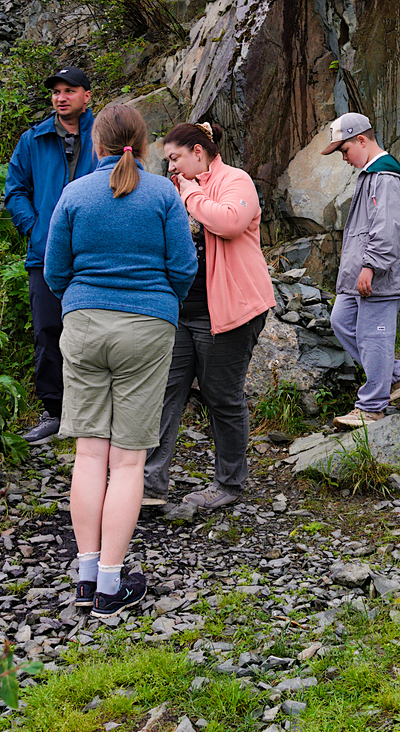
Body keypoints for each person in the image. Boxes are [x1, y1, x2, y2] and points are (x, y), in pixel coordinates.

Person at [44, 103, 195, 620]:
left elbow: (54, 270)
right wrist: (160, 304)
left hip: (84, 325)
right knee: (129, 460)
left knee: (89, 454)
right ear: (145, 144)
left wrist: (81, 301)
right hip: (147, 327)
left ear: (97, 144)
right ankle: (112, 585)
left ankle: (85, 581)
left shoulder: (74, 193)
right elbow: (183, 267)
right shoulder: (162, 195)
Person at [143, 122, 275, 513]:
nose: (170, 168)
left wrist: (189, 192)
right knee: (167, 391)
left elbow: (230, 223)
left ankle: (229, 483)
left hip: (230, 313)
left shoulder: (236, 181)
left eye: (175, 158)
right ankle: (150, 483)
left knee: (222, 398)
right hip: (182, 312)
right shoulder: (176, 190)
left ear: (198, 153)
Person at [4, 65, 97, 443]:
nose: (61, 97)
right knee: (47, 330)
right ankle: (55, 411)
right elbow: (15, 189)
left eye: (69, 90)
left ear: (86, 96)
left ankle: (91, 412)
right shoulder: (33, 139)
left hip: (94, 254)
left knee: (93, 330)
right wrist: (34, 226)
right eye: (56, 91)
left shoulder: (103, 135)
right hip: (44, 254)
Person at [322, 112, 400, 427]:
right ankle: (397, 377)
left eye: (344, 150)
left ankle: (372, 407)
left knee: (373, 336)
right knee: (341, 321)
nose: (344, 158)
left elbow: (386, 228)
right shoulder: (371, 175)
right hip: (360, 276)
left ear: (361, 140)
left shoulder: (385, 177)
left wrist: (371, 267)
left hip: (377, 275)